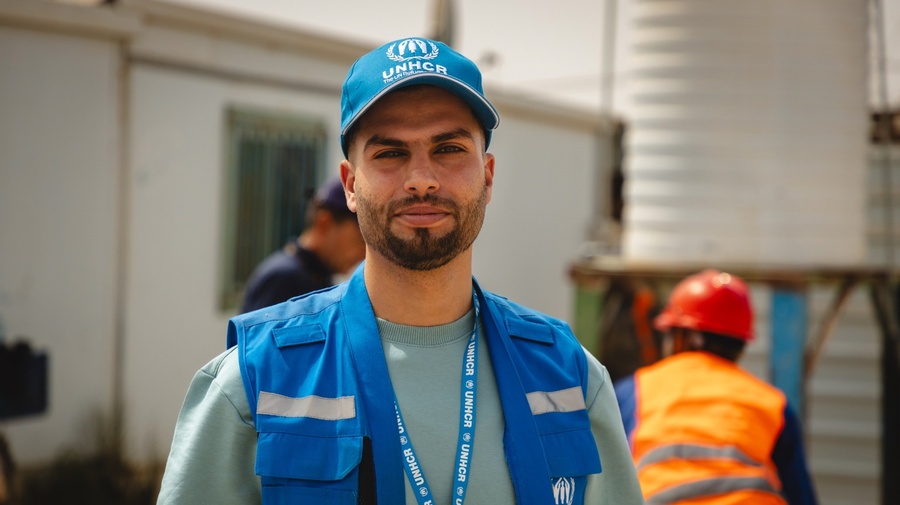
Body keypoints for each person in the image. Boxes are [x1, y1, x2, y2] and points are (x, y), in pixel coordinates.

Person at [157, 36, 643, 505]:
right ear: (350, 185)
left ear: (488, 177)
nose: (421, 180)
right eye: (390, 153)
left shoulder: (571, 378)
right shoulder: (253, 381)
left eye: (449, 149)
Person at [614, 269, 819, 505]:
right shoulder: (773, 404)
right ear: (741, 345)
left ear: (683, 337)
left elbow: (604, 480)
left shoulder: (635, 390)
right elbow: (801, 496)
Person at [239, 177, 366, 314]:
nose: (365, 253)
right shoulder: (284, 278)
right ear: (324, 223)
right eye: (361, 240)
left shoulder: (315, 277)